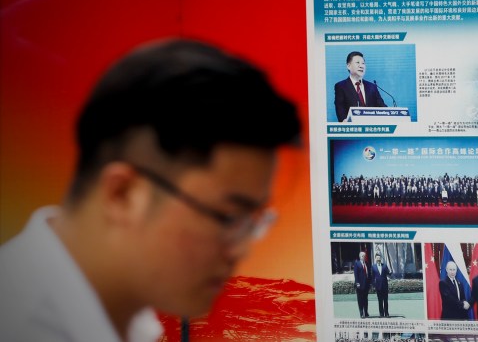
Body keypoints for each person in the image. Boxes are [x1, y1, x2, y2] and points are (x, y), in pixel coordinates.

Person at [0, 38, 301, 342]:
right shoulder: (19, 327)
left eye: (253, 221)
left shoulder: (130, 321)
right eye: (228, 217)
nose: (241, 250)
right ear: (123, 194)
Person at [333, 51, 387, 122]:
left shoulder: (372, 87)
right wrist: (344, 121)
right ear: (348, 66)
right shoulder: (341, 86)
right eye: (357, 62)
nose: (361, 66)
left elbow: (383, 108)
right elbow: (340, 109)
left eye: (363, 63)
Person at [372, 253, 391, 317]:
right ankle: (381, 313)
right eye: (377, 258)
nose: (378, 259)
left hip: (385, 286)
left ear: (381, 258)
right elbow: (372, 277)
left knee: (385, 301)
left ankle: (386, 313)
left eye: (379, 258)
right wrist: (374, 285)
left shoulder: (384, 266)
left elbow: (388, 273)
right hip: (378, 286)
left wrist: (390, 272)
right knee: (380, 301)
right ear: (375, 259)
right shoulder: (373, 267)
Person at [353, 251, 371, 318]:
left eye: (364, 256)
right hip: (359, 285)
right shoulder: (357, 264)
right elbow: (356, 274)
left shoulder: (367, 263)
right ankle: (361, 313)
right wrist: (357, 283)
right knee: (360, 299)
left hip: (366, 285)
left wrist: (370, 283)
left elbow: (369, 274)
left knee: (365, 299)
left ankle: (366, 312)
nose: (364, 257)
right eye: (362, 256)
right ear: (360, 256)